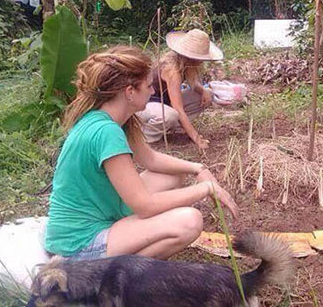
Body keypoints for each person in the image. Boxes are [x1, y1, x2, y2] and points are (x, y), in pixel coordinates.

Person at [45, 46, 238, 261]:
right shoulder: (106, 132)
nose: (153, 91)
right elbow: (144, 207)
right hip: (78, 242)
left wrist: (198, 168)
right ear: (129, 92)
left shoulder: (112, 119)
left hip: (100, 215)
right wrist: (205, 189)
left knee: (173, 173)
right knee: (189, 221)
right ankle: (114, 277)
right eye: (148, 86)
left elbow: (150, 159)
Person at [137, 29, 222, 150]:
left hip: (162, 104)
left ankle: (172, 127)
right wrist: (197, 138)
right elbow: (178, 109)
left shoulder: (183, 64)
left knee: (207, 94)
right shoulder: (172, 70)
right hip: (145, 105)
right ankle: (145, 138)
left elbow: (192, 83)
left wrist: (203, 91)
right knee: (171, 115)